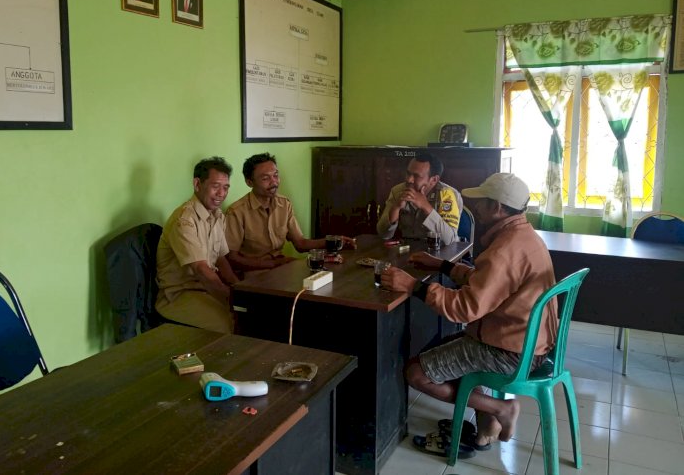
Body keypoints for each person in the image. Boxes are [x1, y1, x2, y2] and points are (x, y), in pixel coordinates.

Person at [381, 173, 556, 456]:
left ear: (497, 208)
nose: (474, 206)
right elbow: (490, 281)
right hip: (525, 340)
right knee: (444, 351)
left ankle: (503, 408)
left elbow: (465, 308)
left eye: (481, 202)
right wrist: (444, 266)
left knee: (416, 373)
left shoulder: (505, 249)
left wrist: (413, 285)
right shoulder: (522, 236)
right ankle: (487, 426)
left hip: (508, 351)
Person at [225, 152, 355, 272]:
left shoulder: (284, 204)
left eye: (276, 175)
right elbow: (232, 259)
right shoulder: (236, 212)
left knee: (327, 277)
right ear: (249, 182)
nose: (274, 182)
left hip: (280, 268)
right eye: (265, 178)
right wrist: (276, 264)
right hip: (253, 272)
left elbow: (300, 244)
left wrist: (335, 241)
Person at [156, 156, 239, 333]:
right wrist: (230, 299)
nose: (221, 193)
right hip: (179, 295)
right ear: (197, 184)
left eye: (225, 188)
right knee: (231, 323)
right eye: (215, 186)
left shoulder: (217, 215)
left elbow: (221, 259)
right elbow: (201, 269)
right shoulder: (184, 220)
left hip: (205, 289)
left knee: (252, 314)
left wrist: (239, 288)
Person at [376, 152, 462, 244]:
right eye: (408, 173)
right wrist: (396, 208)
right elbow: (383, 234)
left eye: (416, 176)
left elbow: (450, 240)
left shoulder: (447, 194)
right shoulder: (398, 191)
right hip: (405, 250)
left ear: (433, 180)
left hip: (437, 252)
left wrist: (426, 207)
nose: (409, 179)